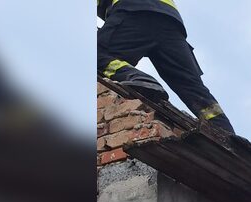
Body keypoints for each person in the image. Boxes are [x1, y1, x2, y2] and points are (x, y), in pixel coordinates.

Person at [97, 0, 233, 133]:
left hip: (133, 10)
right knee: (191, 86)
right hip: (171, 21)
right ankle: (225, 132)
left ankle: (140, 79)